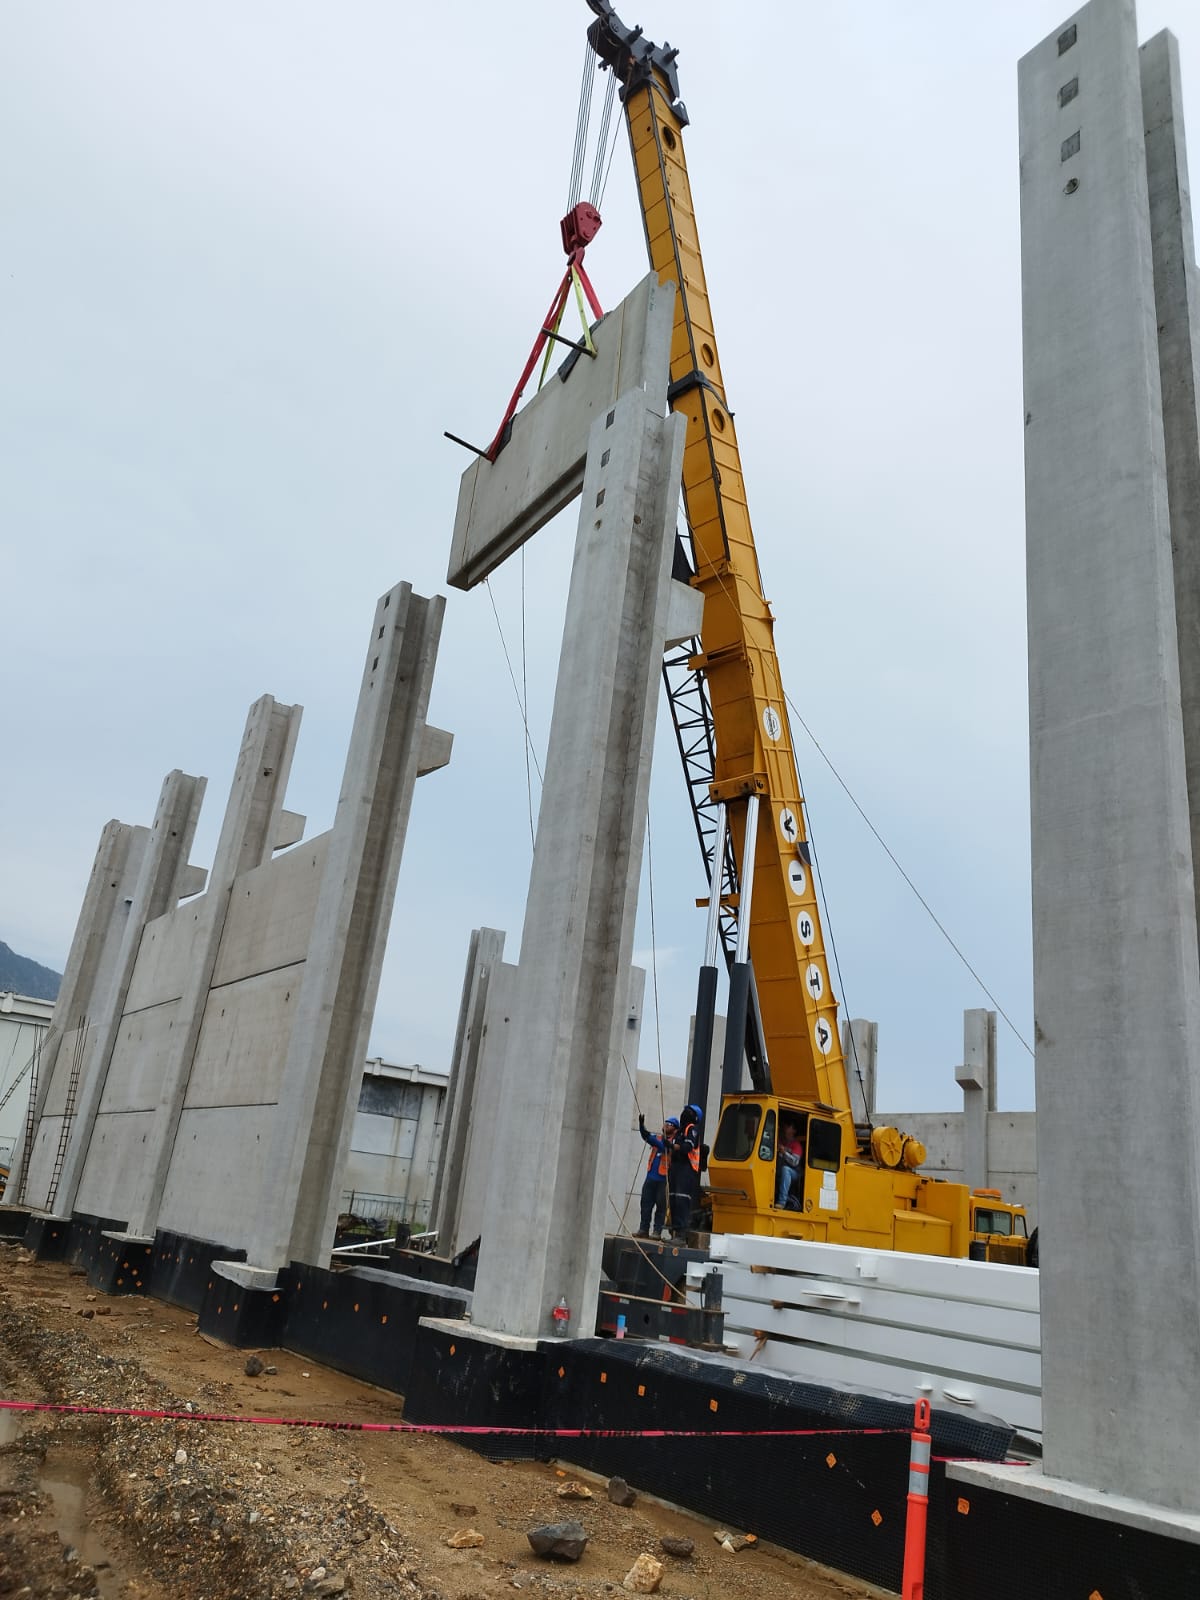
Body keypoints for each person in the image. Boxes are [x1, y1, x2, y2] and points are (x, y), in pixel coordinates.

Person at [636, 1114, 676, 1238]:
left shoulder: (673, 1143)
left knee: (661, 1207)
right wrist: (641, 1126)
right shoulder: (658, 1138)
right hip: (651, 1177)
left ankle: (657, 1231)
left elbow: (661, 1145)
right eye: (665, 1123)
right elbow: (647, 1137)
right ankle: (643, 1229)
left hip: (663, 1179)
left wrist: (648, 1134)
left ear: (675, 1129)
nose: (665, 1125)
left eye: (669, 1124)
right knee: (645, 1204)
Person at [668, 1104, 703, 1238]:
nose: (684, 1114)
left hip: (686, 1169)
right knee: (673, 1199)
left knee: (682, 1200)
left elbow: (686, 1147)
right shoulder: (679, 1132)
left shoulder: (691, 1129)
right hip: (676, 1168)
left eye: (688, 1112)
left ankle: (681, 1234)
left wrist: (673, 1146)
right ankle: (675, 1232)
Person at [775, 1119, 805, 1209]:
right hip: (780, 1171)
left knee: (785, 1169)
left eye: (789, 1127)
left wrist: (784, 1152)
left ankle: (782, 1201)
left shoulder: (796, 1145)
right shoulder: (783, 1142)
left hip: (795, 1173)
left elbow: (795, 1162)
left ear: (794, 1131)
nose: (785, 1128)